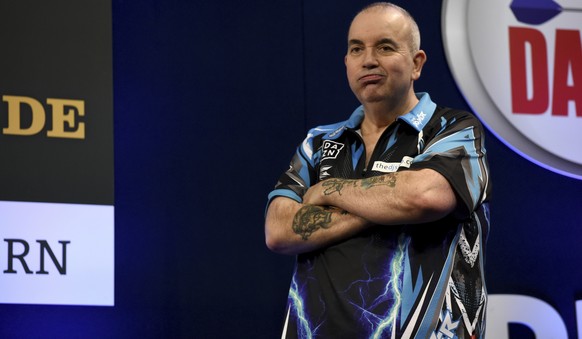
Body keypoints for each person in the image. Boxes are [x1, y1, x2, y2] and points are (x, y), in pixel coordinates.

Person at [265, 2, 491, 338]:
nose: (368, 59)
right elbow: (279, 229)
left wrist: (327, 191)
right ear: (346, 63)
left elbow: (424, 197)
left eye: (385, 46)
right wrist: (386, 203)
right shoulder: (319, 142)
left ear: (416, 63)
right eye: (356, 49)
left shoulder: (452, 128)